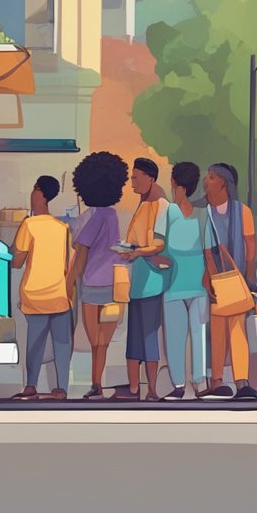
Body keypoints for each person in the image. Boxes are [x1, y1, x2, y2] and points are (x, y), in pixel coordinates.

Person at [66, 151, 129, 400]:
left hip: (92, 286)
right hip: (113, 286)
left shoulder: (92, 218)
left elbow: (80, 254)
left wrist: (68, 284)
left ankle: (96, 384)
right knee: (104, 338)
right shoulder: (112, 215)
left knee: (95, 340)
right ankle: (97, 383)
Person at [198, 163, 257, 401]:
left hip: (235, 280)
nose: (207, 181)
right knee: (217, 330)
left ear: (224, 182)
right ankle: (217, 380)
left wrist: (248, 276)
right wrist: (214, 279)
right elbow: (207, 252)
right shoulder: (206, 213)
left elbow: (250, 245)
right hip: (217, 281)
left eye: (212, 177)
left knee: (237, 329)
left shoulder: (242, 211)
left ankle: (241, 381)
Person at [10, 176, 73, 401]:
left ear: (42, 194)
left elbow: (17, 261)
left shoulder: (29, 224)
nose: (32, 193)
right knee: (62, 345)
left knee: (35, 343)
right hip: (59, 296)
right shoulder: (62, 227)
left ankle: (31, 385)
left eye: (35, 188)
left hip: (35, 295)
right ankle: (62, 388)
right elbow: (67, 264)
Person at [115, 157, 170, 401]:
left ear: (150, 178)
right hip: (137, 280)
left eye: (136, 178)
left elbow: (159, 244)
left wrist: (136, 251)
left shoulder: (161, 206)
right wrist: (127, 248)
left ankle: (152, 390)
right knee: (134, 335)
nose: (132, 183)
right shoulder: (143, 205)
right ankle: (134, 388)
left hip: (152, 280)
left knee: (148, 334)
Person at [159, 162, 210, 401]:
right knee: (177, 334)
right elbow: (207, 251)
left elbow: (158, 246)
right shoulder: (170, 212)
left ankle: (196, 383)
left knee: (193, 334)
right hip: (177, 284)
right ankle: (181, 384)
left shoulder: (178, 213)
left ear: (175, 183)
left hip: (193, 285)